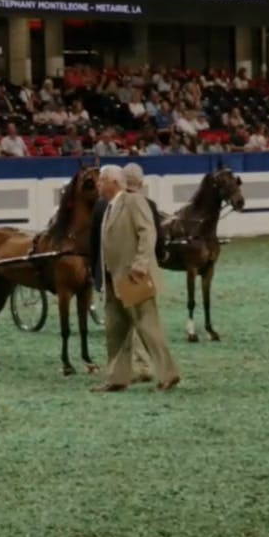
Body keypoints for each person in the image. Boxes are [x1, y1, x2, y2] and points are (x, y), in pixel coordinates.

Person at [93, 164, 179, 392]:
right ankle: (117, 378)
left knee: (148, 327)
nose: (98, 184)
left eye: (101, 180)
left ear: (114, 182)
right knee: (115, 331)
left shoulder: (133, 201)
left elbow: (147, 231)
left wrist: (141, 265)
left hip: (133, 277)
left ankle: (168, 374)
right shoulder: (107, 207)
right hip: (114, 280)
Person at [121, 162, 166, 383]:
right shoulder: (149, 204)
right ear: (141, 183)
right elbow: (158, 240)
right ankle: (153, 366)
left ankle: (142, 366)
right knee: (146, 320)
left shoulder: (114, 204)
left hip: (128, 271)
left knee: (129, 321)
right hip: (145, 270)